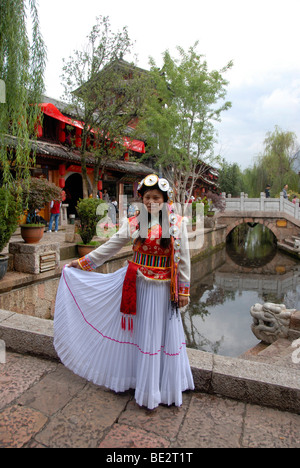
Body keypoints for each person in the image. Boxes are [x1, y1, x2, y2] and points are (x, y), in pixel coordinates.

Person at [53, 174, 194, 410]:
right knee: (140, 335)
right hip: (135, 286)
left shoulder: (177, 223)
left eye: (156, 197)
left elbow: (185, 261)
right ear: (141, 199)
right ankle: (139, 381)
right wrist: (83, 263)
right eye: (147, 197)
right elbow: (111, 246)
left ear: (165, 199)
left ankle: (160, 387)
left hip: (163, 291)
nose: (151, 202)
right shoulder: (135, 222)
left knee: (159, 335)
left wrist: (184, 291)